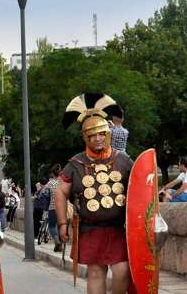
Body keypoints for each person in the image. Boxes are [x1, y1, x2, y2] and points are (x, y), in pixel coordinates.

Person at [55, 93, 133, 294]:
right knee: (96, 273)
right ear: (85, 137)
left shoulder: (123, 160)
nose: (97, 139)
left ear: (107, 134)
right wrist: (63, 223)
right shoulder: (75, 163)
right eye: (92, 135)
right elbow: (61, 192)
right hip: (90, 228)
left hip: (118, 230)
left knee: (122, 270)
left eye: (100, 134)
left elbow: (140, 189)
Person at [45, 164, 63, 252]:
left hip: (52, 207)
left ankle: (57, 242)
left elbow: (45, 194)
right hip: (63, 207)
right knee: (62, 225)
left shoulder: (50, 183)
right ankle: (61, 243)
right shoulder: (63, 182)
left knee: (52, 225)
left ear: (52, 173)